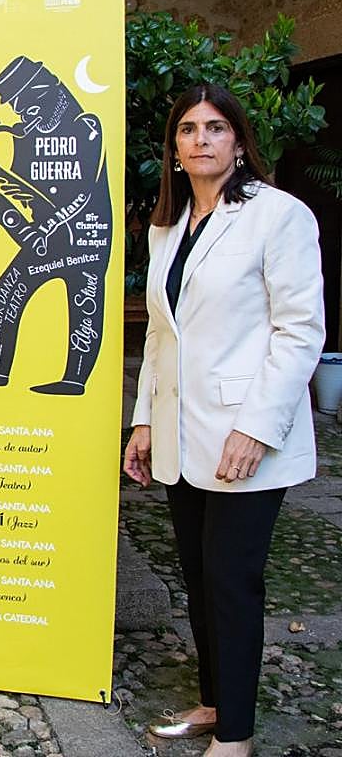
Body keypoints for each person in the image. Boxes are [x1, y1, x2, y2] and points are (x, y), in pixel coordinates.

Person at [123, 83, 324, 757]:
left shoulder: (279, 216)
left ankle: (235, 737)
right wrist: (144, 422)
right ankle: (216, 702)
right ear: (174, 148)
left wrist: (257, 428)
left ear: (238, 140)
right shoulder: (169, 226)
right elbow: (160, 335)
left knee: (233, 582)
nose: (200, 139)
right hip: (183, 435)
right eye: (188, 129)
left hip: (246, 438)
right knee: (200, 577)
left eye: (214, 127)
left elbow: (300, 332)